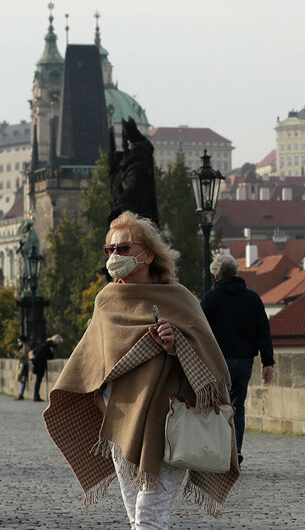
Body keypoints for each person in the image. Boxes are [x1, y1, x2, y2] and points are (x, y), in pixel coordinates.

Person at [43, 211, 239, 527]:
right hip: (122, 423)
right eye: (110, 249)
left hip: (169, 423)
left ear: (147, 254)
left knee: (150, 515)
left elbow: (212, 366)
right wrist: (101, 404)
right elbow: (92, 363)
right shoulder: (106, 300)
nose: (114, 256)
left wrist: (178, 346)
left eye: (123, 248)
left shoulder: (180, 299)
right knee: (137, 515)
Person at [201, 253, 275, 464]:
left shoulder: (210, 299)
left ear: (216, 276)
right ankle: (236, 449)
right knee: (237, 407)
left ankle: (218, 450)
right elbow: (263, 331)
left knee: (214, 406)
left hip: (217, 361)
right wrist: (267, 361)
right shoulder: (252, 298)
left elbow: (201, 332)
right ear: (235, 272)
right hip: (243, 361)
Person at [29, 334, 61, 401]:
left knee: (38, 380)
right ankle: (36, 396)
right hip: (40, 363)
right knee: (38, 380)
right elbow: (49, 357)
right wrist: (52, 352)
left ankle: (36, 396)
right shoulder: (50, 344)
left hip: (39, 363)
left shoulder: (47, 343)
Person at [12, 335, 29, 400]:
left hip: (24, 365)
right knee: (21, 380)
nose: (18, 342)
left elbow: (23, 356)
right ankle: (20, 394)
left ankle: (20, 394)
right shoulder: (23, 347)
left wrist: (16, 353)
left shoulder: (25, 347)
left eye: (19, 341)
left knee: (23, 379)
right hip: (22, 364)